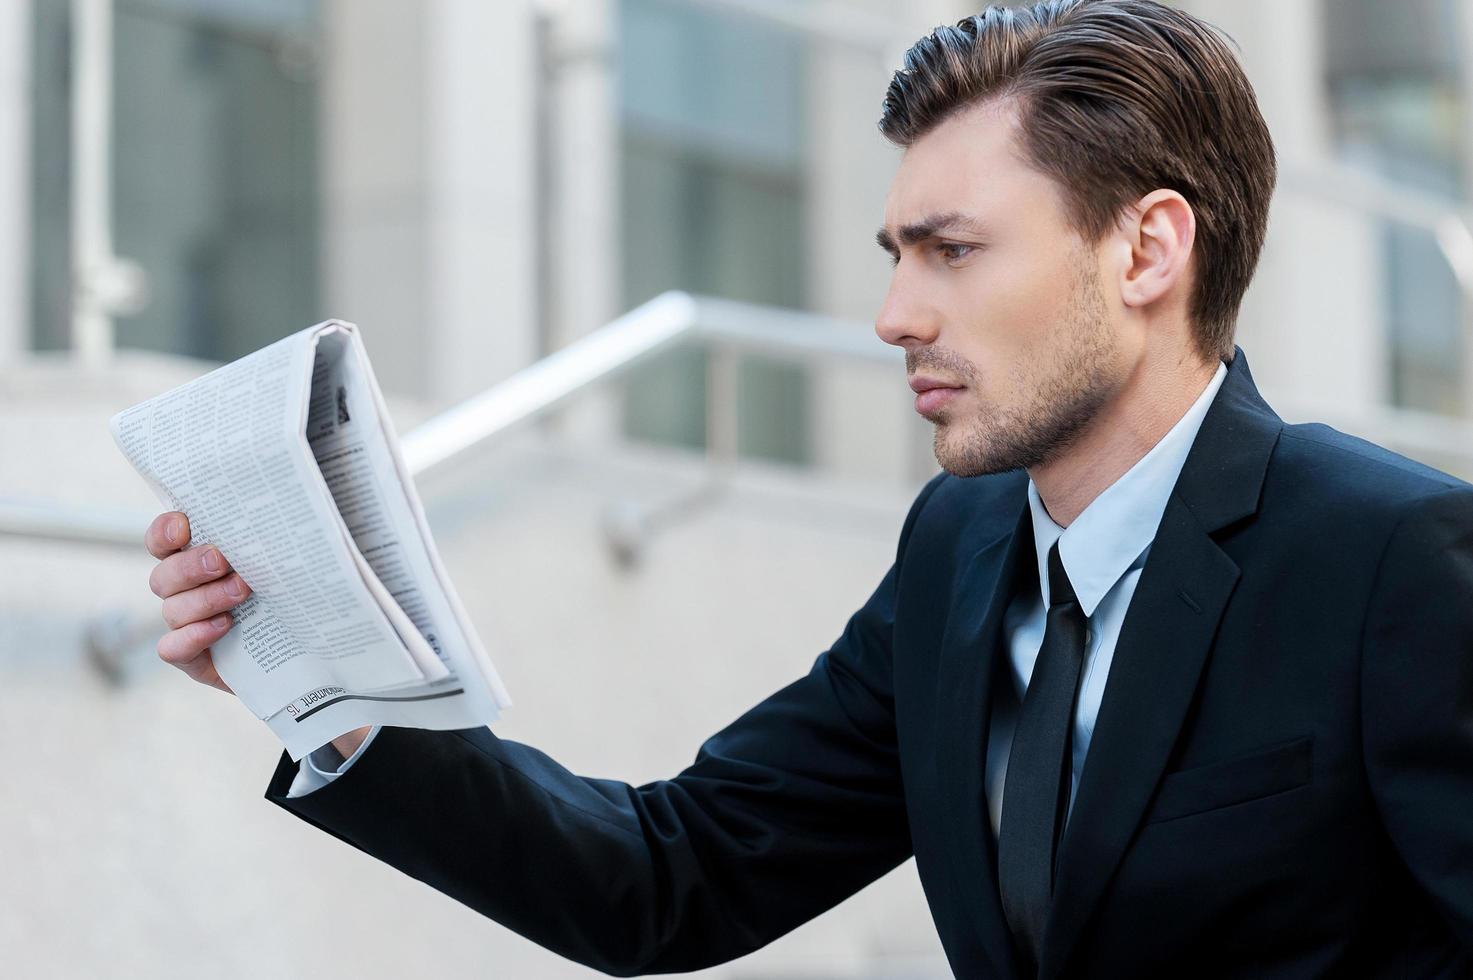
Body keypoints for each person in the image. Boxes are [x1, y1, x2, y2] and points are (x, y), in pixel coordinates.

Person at [141, 1, 1473, 976]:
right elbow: (676, 876)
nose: (893, 314)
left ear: (1145, 249)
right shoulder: (959, 549)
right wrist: (334, 688)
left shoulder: (1388, 559)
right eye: (895, 253)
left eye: (950, 251)